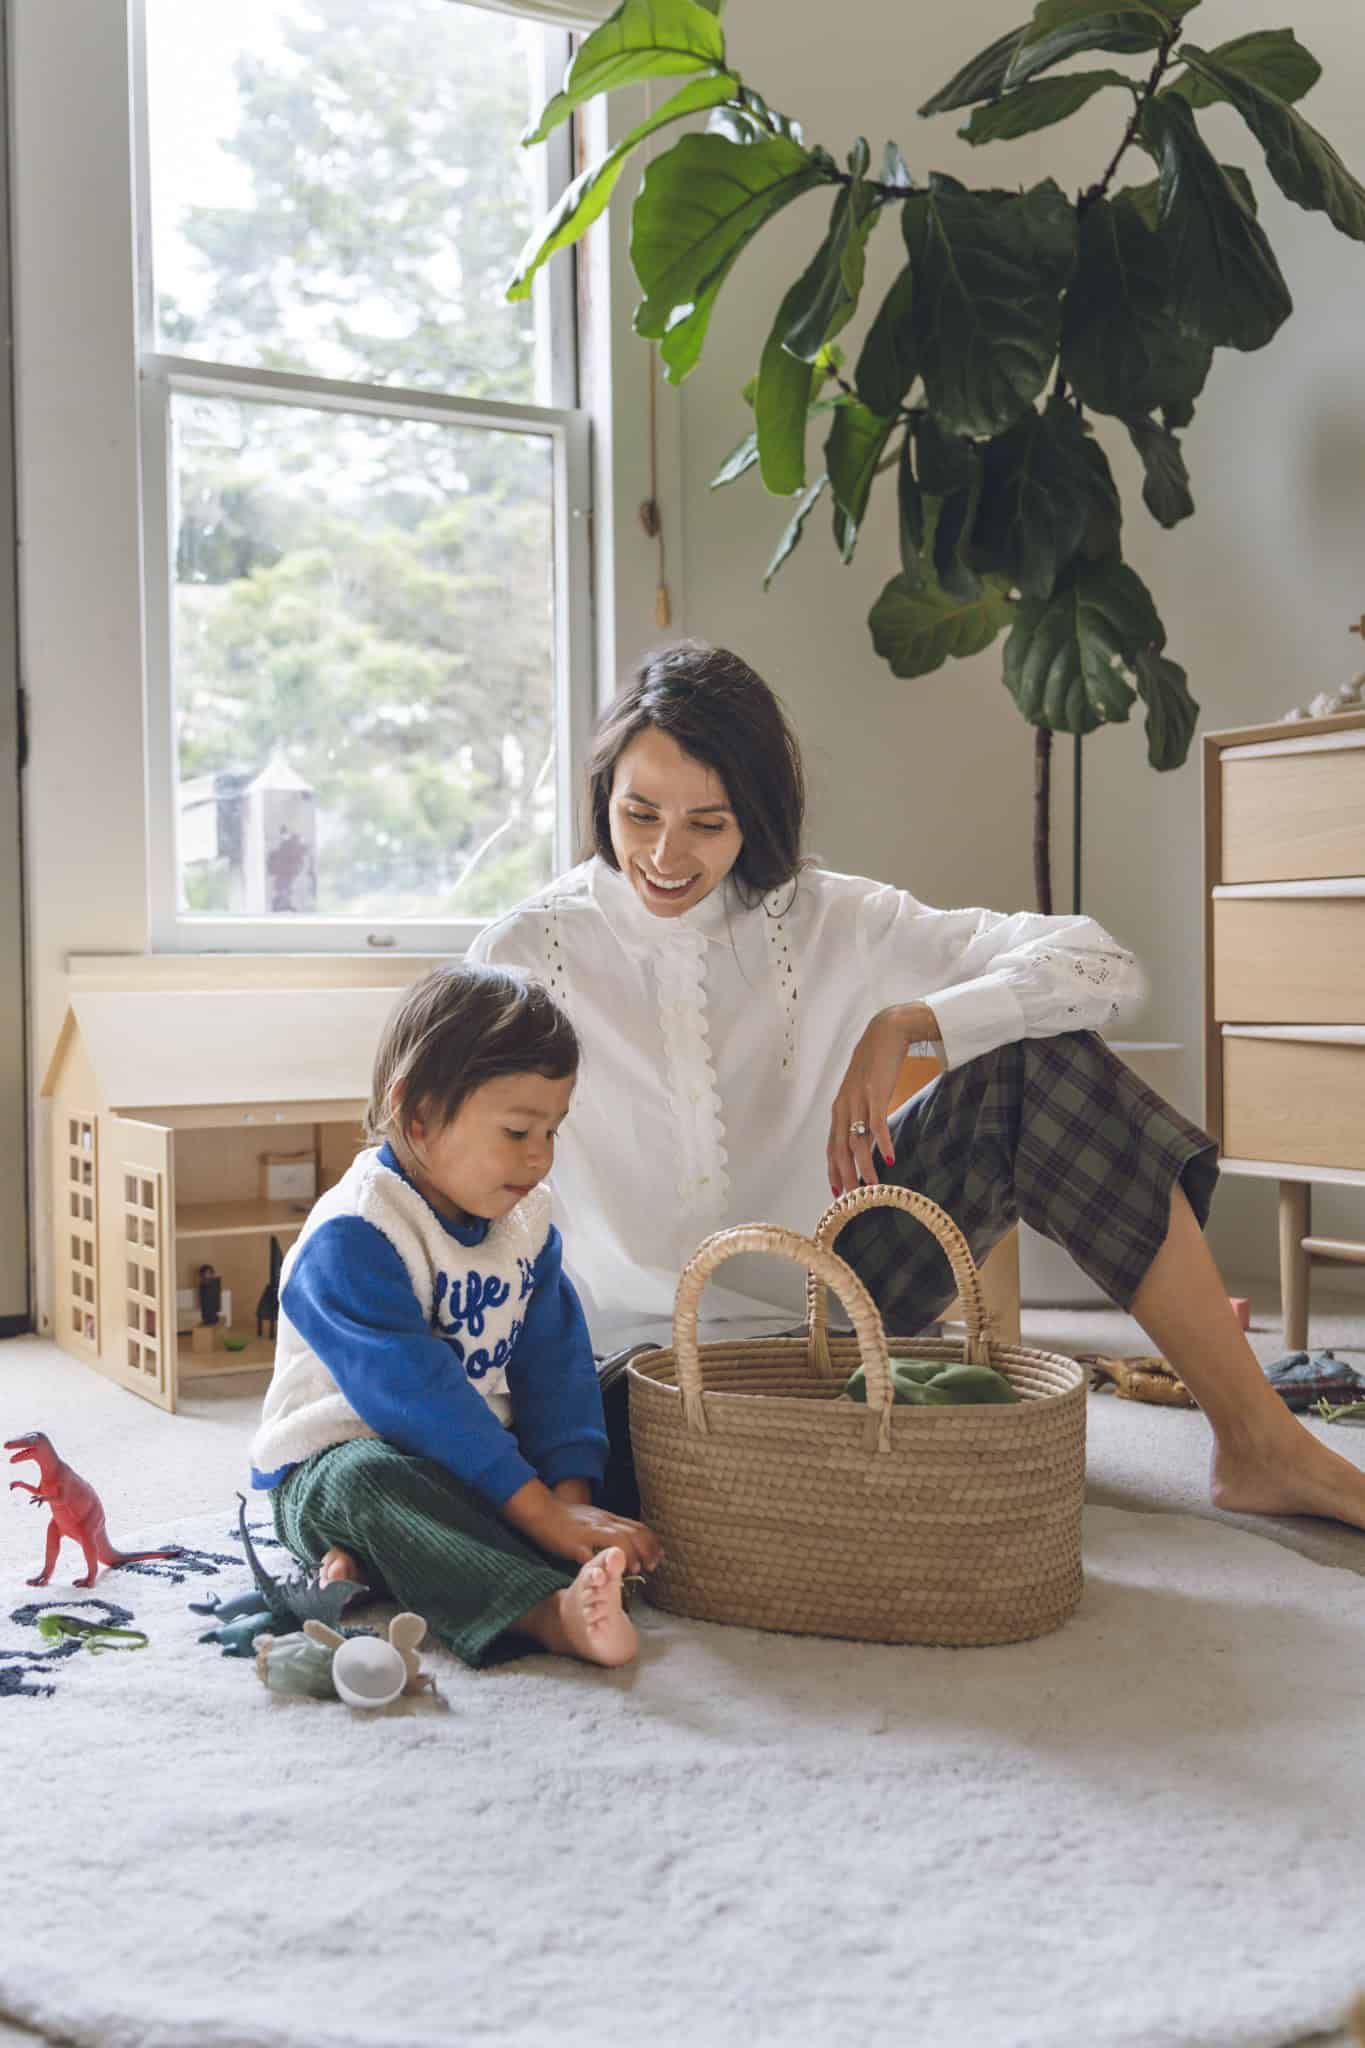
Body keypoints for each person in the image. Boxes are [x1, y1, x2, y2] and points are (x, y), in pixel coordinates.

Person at [470, 640, 1365, 1537]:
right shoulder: (525, 951)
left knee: (1037, 1063)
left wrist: (915, 1020)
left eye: (708, 823)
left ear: (755, 817)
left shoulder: (829, 916)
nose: (665, 854)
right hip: (628, 1360)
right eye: (639, 814)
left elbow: (1102, 966)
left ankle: (1258, 1442)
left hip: (838, 1304)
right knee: (674, 1488)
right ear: (604, 798)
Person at [248, 962, 662, 1670]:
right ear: (417, 1115)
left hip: (481, 1453)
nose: (539, 1157)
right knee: (372, 1484)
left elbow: (554, 1362)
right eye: (517, 1131)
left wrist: (570, 1500)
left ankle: (413, 1560)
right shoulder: (355, 1235)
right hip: (345, 1457)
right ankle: (545, 1610)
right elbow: (420, 1400)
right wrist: (542, 1516)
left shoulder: (522, 1220)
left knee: (631, 1401)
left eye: (553, 1131)